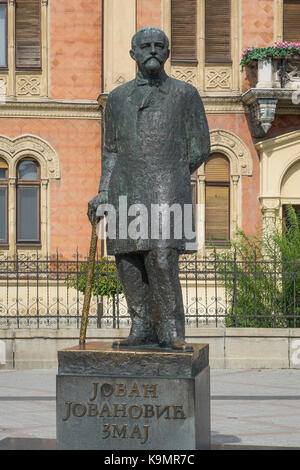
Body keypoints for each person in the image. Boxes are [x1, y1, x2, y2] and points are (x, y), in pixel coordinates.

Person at [88, 27, 210, 350]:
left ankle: (171, 331)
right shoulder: (116, 99)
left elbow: (201, 146)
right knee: (128, 262)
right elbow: (110, 151)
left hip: (166, 189)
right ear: (133, 54)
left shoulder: (185, 95)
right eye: (146, 46)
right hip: (123, 190)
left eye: (160, 45)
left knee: (160, 258)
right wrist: (103, 191)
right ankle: (140, 326)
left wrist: (170, 171)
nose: (153, 50)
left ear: (168, 53)